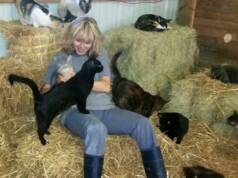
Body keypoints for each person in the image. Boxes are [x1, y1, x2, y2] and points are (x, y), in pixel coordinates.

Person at [40, 16, 167, 178]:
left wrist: (74, 81)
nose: (82, 46)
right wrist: (56, 82)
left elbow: (105, 85)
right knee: (96, 129)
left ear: (94, 41)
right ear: (72, 37)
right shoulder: (60, 57)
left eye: (87, 42)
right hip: (74, 111)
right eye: (78, 40)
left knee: (143, 124)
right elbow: (44, 91)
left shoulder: (100, 55)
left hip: (105, 109)